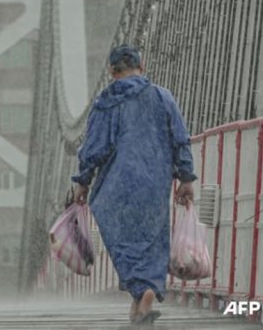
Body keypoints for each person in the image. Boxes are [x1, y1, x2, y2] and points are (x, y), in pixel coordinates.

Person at [71, 44, 195, 325]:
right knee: (152, 237)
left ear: (112, 72)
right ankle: (147, 291)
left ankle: (139, 294)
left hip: (116, 185)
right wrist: (186, 177)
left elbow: (93, 147)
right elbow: (180, 138)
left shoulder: (105, 102)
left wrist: (82, 182)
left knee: (122, 240)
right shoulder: (162, 96)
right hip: (154, 180)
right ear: (142, 67)